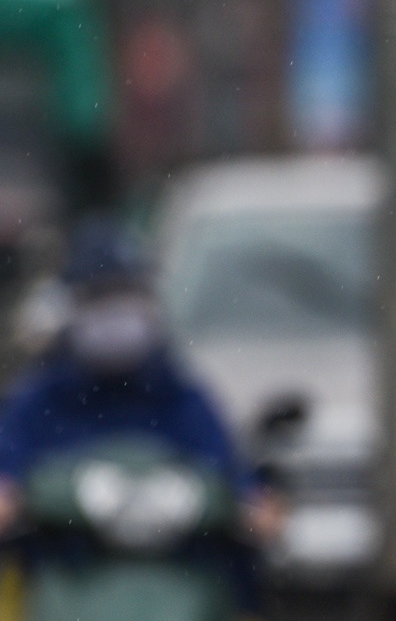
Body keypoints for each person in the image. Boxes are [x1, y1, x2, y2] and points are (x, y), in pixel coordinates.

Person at [0, 216, 280, 541]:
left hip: (179, 566)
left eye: (127, 293)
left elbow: (238, 481)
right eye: (98, 296)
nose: (115, 311)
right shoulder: (43, 401)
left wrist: (255, 503)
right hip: (68, 566)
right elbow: (8, 475)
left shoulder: (179, 396)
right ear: (71, 307)